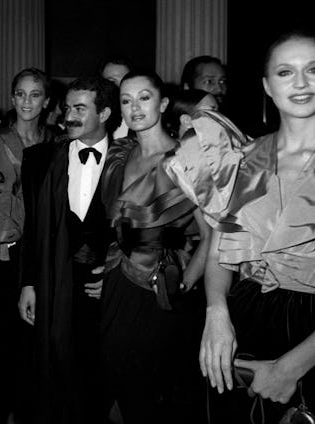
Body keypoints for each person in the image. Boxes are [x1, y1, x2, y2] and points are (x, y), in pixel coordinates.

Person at [174, 32, 315, 423]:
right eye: (286, 72)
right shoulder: (241, 160)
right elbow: (221, 252)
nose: (300, 83)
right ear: (268, 86)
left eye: (314, 70)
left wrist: (290, 368)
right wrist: (216, 311)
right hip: (242, 323)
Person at [98, 70, 211, 424]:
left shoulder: (187, 159)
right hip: (118, 283)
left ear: (162, 104)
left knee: (155, 392)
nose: (135, 107)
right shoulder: (119, 154)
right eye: (126, 100)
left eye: (144, 98)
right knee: (117, 381)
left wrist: (185, 283)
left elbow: (212, 236)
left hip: (161, 286)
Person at [0, 67, 56, 423]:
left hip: (44, 250)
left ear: (46, 100)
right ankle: (6, 413)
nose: (27, 101)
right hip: (3, 250)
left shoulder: (57, 142)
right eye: (20, 93)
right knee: (6, 339)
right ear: (12, 97)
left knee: (39, 338)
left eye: (35, 94)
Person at [26, 76, 114, 423]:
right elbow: (33, 229)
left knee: (99, 373)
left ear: (105, 112)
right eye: (67, 108)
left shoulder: (130, 159)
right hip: (53, 281)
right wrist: (28, 284)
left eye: (81, 108)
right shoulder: (40, 159)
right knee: (54, 374)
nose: (69, 116)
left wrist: (117, 276)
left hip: (105, 283)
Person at [100, 57, 135, 139]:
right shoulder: (93, 116)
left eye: (125, 81)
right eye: (111, 81)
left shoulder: (142, 117)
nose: (119, 87)